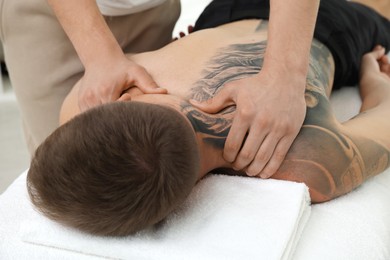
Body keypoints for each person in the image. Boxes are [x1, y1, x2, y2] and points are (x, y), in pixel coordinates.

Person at [27, 0, 390, 236]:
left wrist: (373, 81)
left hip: (324, 25)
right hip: (226, 13)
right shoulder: (83, 102)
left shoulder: (311, 160)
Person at [0, 0, 180, 155]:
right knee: (69, 168)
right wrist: (99, 56)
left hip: (153, 11)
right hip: (54, 14)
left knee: (151, 155)